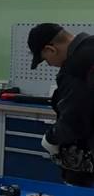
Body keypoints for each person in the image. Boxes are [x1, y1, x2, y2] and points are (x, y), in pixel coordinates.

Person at [28, 23, 94, 186]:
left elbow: (75, 118)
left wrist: (51, 139)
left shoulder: (75, 67)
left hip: (87, 159)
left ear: (50, 49)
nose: (50, 65)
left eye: (45, 59)